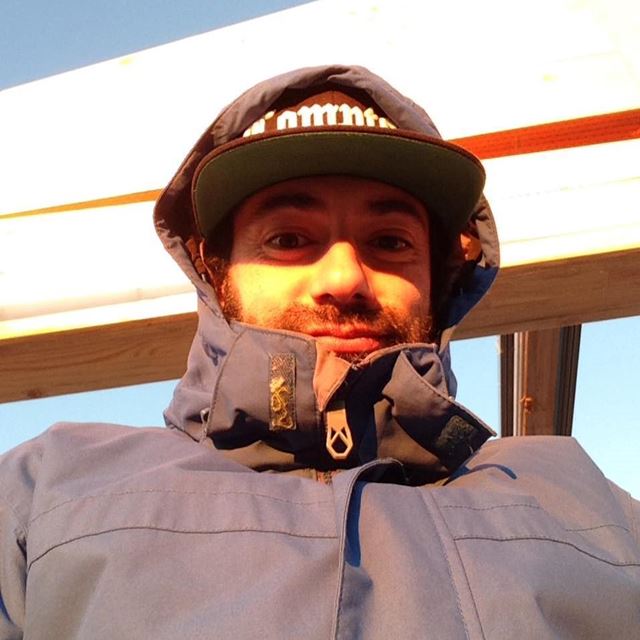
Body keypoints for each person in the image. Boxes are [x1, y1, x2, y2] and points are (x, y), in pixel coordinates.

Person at [0, 65, 638, 639]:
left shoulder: (593, 508)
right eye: (287, 238)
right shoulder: (43, 489)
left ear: (439, 280)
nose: (345, 278)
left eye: (390, 242)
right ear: (215, 271)